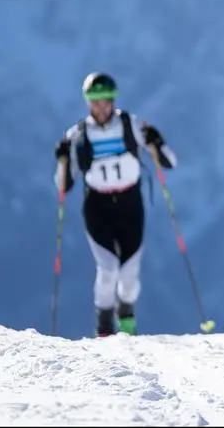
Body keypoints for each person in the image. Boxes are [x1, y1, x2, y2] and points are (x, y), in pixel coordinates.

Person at [53, 72, 177, 337]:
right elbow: (64, 185)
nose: (101, 107)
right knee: (108, 269)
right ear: (88, 102)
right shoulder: (78, 135)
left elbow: (169, 162)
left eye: (105, 101)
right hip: (98, 207)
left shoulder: (131, 125)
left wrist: (156, 140)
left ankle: (128, 323)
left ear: (112, 100)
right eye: (95, 101)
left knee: (130, 273)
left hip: (130, 206)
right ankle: (104, 329)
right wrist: (63, 159)